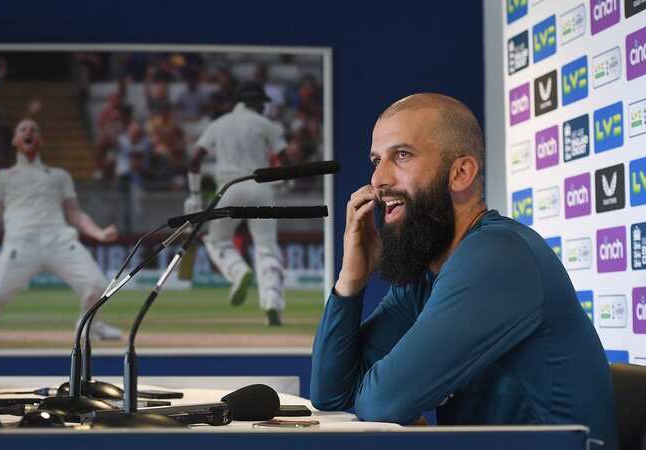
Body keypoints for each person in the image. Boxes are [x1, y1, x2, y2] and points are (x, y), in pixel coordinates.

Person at [310, 94, 618, 447]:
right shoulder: (428, 274)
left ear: (460, 173)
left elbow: (380, 403)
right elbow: (331, 396)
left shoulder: (499, 255)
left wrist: (391, 398)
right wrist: (350, 282)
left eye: (402, 155)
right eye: (376, 160)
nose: (378, 180)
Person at [0, 118, 123, 341]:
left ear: (40, 140)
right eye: (22, 129)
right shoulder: (1, 178)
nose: (28, 131)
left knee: (98, 285)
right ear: (15, 140)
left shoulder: (59, 175)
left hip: (59, 240)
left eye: (33, 129)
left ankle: (90, 325)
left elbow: (75, 213)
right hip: (20, 244)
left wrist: (99, 233)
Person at [184, 81, 287, 326]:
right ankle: (271, 301)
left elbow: (196, 159)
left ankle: (237, 270)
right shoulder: (266, 124)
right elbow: (285, 159)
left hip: (227, 188)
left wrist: (195, 195)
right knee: (267, 248)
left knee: (217, 241)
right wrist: (282, 183)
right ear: (256, 102)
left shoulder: (218, 124)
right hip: (260, 188)